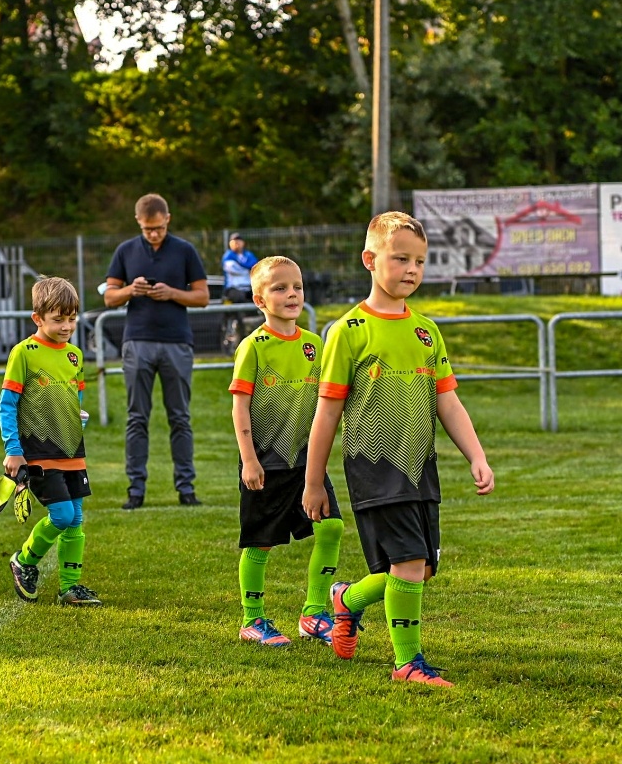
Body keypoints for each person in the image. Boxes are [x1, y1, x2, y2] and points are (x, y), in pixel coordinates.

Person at [302, 212, 495, 687]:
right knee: (408, 563)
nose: (411, 269)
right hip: (373, 466)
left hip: (419, 469)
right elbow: (326, 413)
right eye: (400, 258)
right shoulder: (348, 331)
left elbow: (447, 401)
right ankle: (407, 662)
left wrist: (476, 454)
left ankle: (346, 600)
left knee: (418, 568)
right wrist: (312, 481)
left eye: (420, 261)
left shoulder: (427, 330)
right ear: (370, 260)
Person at [229, 255, 342, 647]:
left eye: (296, 286)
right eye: (279, 288)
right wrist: (249, 460)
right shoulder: (253, 347)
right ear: (260, 300)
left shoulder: (315, 345)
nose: (291, 294)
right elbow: (240, 405)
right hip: (265, 461)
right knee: (260, 542)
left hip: (305, 463)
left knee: (331, 526)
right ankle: (252, 619)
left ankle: (313, 613)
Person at [104, 193, 209, 510]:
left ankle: (186, 489)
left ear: (168, 220)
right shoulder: (125, 251)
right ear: (139, 222)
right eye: (148, 229)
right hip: (137, 341)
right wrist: (129, 291)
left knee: (180, 418)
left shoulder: (185, 250)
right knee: (137, 418)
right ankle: (135, 490)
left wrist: (172, 293)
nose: (154, 234)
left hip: (177, 341)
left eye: (159, 228)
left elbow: (202, 296)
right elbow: (109, 297)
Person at [2, 277, 101, 607]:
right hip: (40, 451)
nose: (66, 326)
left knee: (75, 518)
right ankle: (25, 561)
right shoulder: (24, 353)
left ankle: (70, 587)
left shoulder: (75, 355)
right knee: (60, 515)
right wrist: (13, 449)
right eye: (58, 319)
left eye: (72, 318)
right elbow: (7, 404)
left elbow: (76, 394)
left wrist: (77, 413)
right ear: (38, 318)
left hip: (72, 449)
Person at [221, 233, 257, 304]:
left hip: (248, 287)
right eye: (234, 241)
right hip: (233, 288)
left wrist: (241, 264)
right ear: (230, 243)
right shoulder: (228, 256)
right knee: (239, 297)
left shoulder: (248, 255)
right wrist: (248, 268)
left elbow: (256, 266)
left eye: (239, 241)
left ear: (243, 243)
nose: (237, 243)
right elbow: (235, 269)